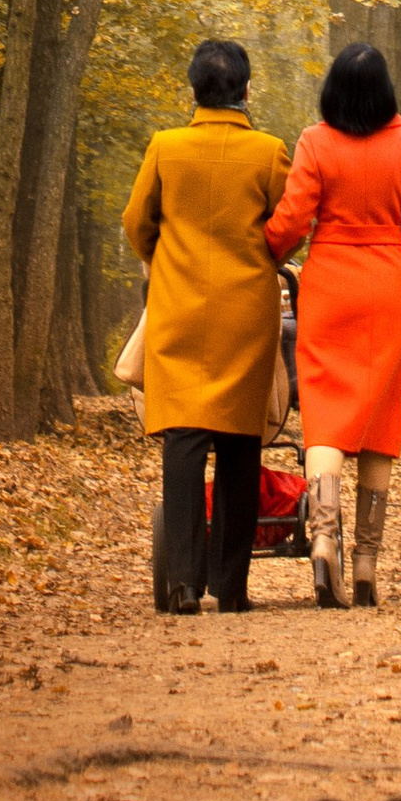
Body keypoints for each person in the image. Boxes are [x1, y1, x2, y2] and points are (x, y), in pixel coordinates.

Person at [263, 38, 401, 609]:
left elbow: (292, 219)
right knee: (381, 427)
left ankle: (322, 542)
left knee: (325, 421)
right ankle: (365, 564)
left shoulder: (315, 143)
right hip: (391, 286)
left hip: (329, 287)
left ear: (333, 91)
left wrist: (270, 250)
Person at [120, 37, 290, 614]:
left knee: (184, 439)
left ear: (193, 89)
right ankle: (231, 587)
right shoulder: (269, 152)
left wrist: (165, 258)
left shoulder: (165, 147)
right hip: (245, 312)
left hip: (180, 309)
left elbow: (136, 222)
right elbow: (291, 224)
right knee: (241, 444)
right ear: (246, 90)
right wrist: (266, 255)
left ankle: (184, 584)